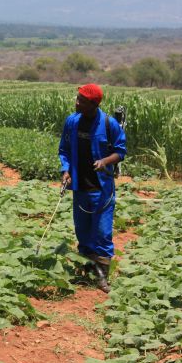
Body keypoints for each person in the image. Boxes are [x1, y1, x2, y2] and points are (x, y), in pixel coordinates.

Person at [58, 83, 126, 292]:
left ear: (93, 104)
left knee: (102, 232)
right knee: (83, 231)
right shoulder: (72, 122)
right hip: (80, 187)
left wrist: (105, 161)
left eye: (81, 100)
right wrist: (66, 170)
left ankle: (102, 277)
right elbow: (65, 150)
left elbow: (120, 151)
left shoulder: (109, 124)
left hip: (102, 189)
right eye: (77, 98)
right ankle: (87, 269)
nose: (77, 102)